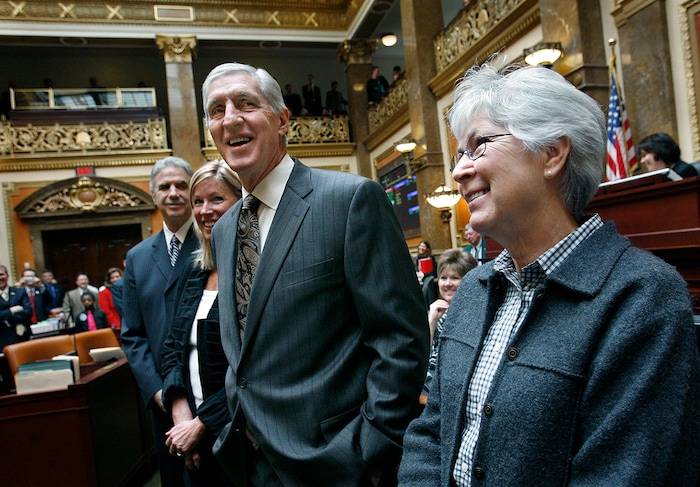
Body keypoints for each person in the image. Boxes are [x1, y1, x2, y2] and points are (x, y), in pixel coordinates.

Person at [398, 60, 700, 486]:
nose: (459, 171)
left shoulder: (643, 297)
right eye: (459, 154)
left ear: (552, 153)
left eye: (479, 145)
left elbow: (626, 473)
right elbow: (432, 434)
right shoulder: (473, 291)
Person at [202, 62, 428, 486]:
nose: (230, 118)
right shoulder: (227, 227)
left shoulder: (349, 200)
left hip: (336, 461)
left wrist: (369, 448)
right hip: (251, 461)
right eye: (217, 110)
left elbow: (400, 338)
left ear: (283, 119)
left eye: (246, 103)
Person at [161, 159, 242, 486]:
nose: (205, 210)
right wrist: (182, 417)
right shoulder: (195, 272)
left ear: (242, 201)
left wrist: (201, 424)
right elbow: (172, 348)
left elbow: (255, 368)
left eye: (217, 199)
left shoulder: (256, 271)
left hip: (238, 436)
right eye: (198, 201)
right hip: (193, 437)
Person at [121, 156, 199, 487]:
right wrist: (157, 390)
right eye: (164, 187)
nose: (173, 193)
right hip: (161, 399)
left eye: (181, 185)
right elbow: (133, 335)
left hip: (205, 393)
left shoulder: (213, 241)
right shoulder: (137, 257)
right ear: (154, 195)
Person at [422, 250, 476, 397]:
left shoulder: (474, 314)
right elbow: (422, 356)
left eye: (455, 277)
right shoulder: (437, 312)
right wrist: (431, 322)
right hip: (428, 385)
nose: (447, 284)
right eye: (443, 278)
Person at [0, 264, 31, 349]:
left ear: (7, 276)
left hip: (21, 336)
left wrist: (4, 316)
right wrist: (12, 311)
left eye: (1, 274)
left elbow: (28, 312)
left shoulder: (20, 292)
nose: (0, 278)